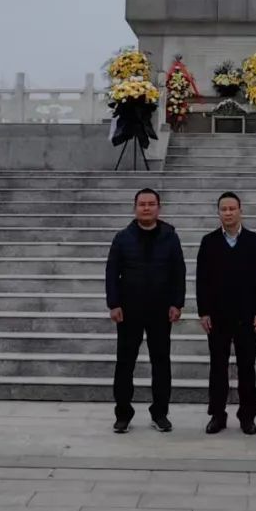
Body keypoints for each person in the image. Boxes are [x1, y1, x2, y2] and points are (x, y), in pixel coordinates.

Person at [105, 186, 185, 434]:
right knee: (125, 363)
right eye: (142, 204)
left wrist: (177, 303)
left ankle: (160, 413)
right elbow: (111, 273)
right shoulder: (122, 237)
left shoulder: (170, 237)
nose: (147, 208)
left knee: (161, 362)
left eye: (151, 204)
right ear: (135, 207)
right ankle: (123, 414)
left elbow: (178, 272)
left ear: (158, 208)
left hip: (161, 310)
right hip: (129, 310)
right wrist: (114, 304)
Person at [196, 191, 256, 435]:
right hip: (217, 316)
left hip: (247, 316)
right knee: (218, 366)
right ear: (218, 212)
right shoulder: (209, 242)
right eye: (223, 209)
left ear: (240, 211)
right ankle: (217, 414)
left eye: (232, 209)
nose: (228, 213)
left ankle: (247, 416)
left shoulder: (255, 241)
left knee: (247, 367)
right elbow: (202, 280)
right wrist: (203, 311)